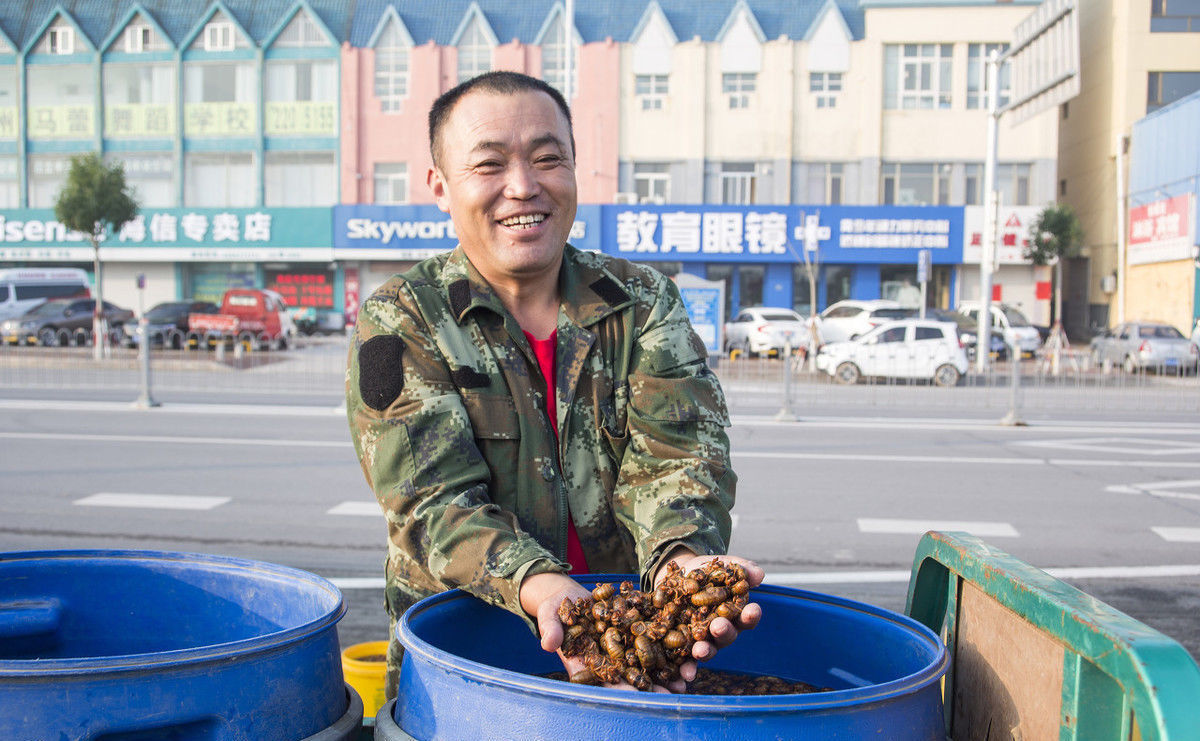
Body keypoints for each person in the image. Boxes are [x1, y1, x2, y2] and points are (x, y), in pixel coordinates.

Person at [346, 71, 762, 698]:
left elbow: (681, 453)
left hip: (626, 657)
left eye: (548, 159)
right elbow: (430, 501)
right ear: (440, 186)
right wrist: (540, 587)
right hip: (462, 658)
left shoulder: (643, 302)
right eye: (489, 165)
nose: (523, 187)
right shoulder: (402, 318)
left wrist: (682, 564)